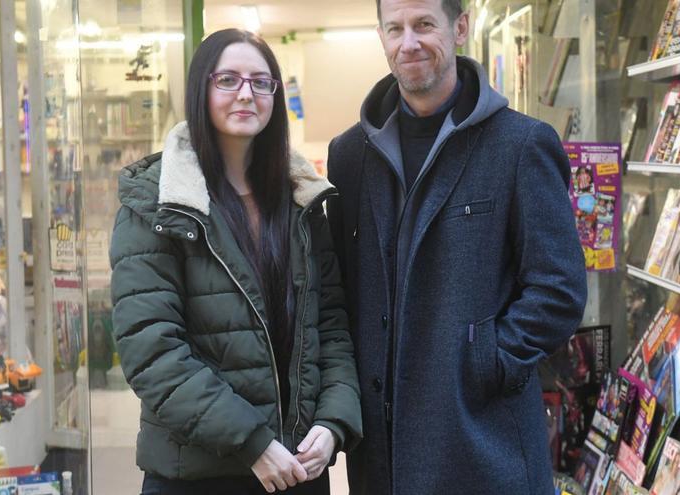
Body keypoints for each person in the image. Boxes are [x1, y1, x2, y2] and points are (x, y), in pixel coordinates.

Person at [324, 0, 587, 493]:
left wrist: (485, 360)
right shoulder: (349, 155)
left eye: (425, 25)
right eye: (395, 28)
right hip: (382, 453)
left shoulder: (521, 144)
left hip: (483, 440)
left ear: (460, 27)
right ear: (380, 36)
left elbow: (560, 289)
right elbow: (340, 288)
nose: (409, 42)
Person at [110, 29, 362, 495]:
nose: (246, 93)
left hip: (297, 468)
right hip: (199, 473)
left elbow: (332, 327)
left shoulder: (302, 202)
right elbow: (151, 350)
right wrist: (253, 443)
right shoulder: (158, 203)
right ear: (200, 90)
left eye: (260, 81)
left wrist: (332, 422)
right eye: (227, 79)